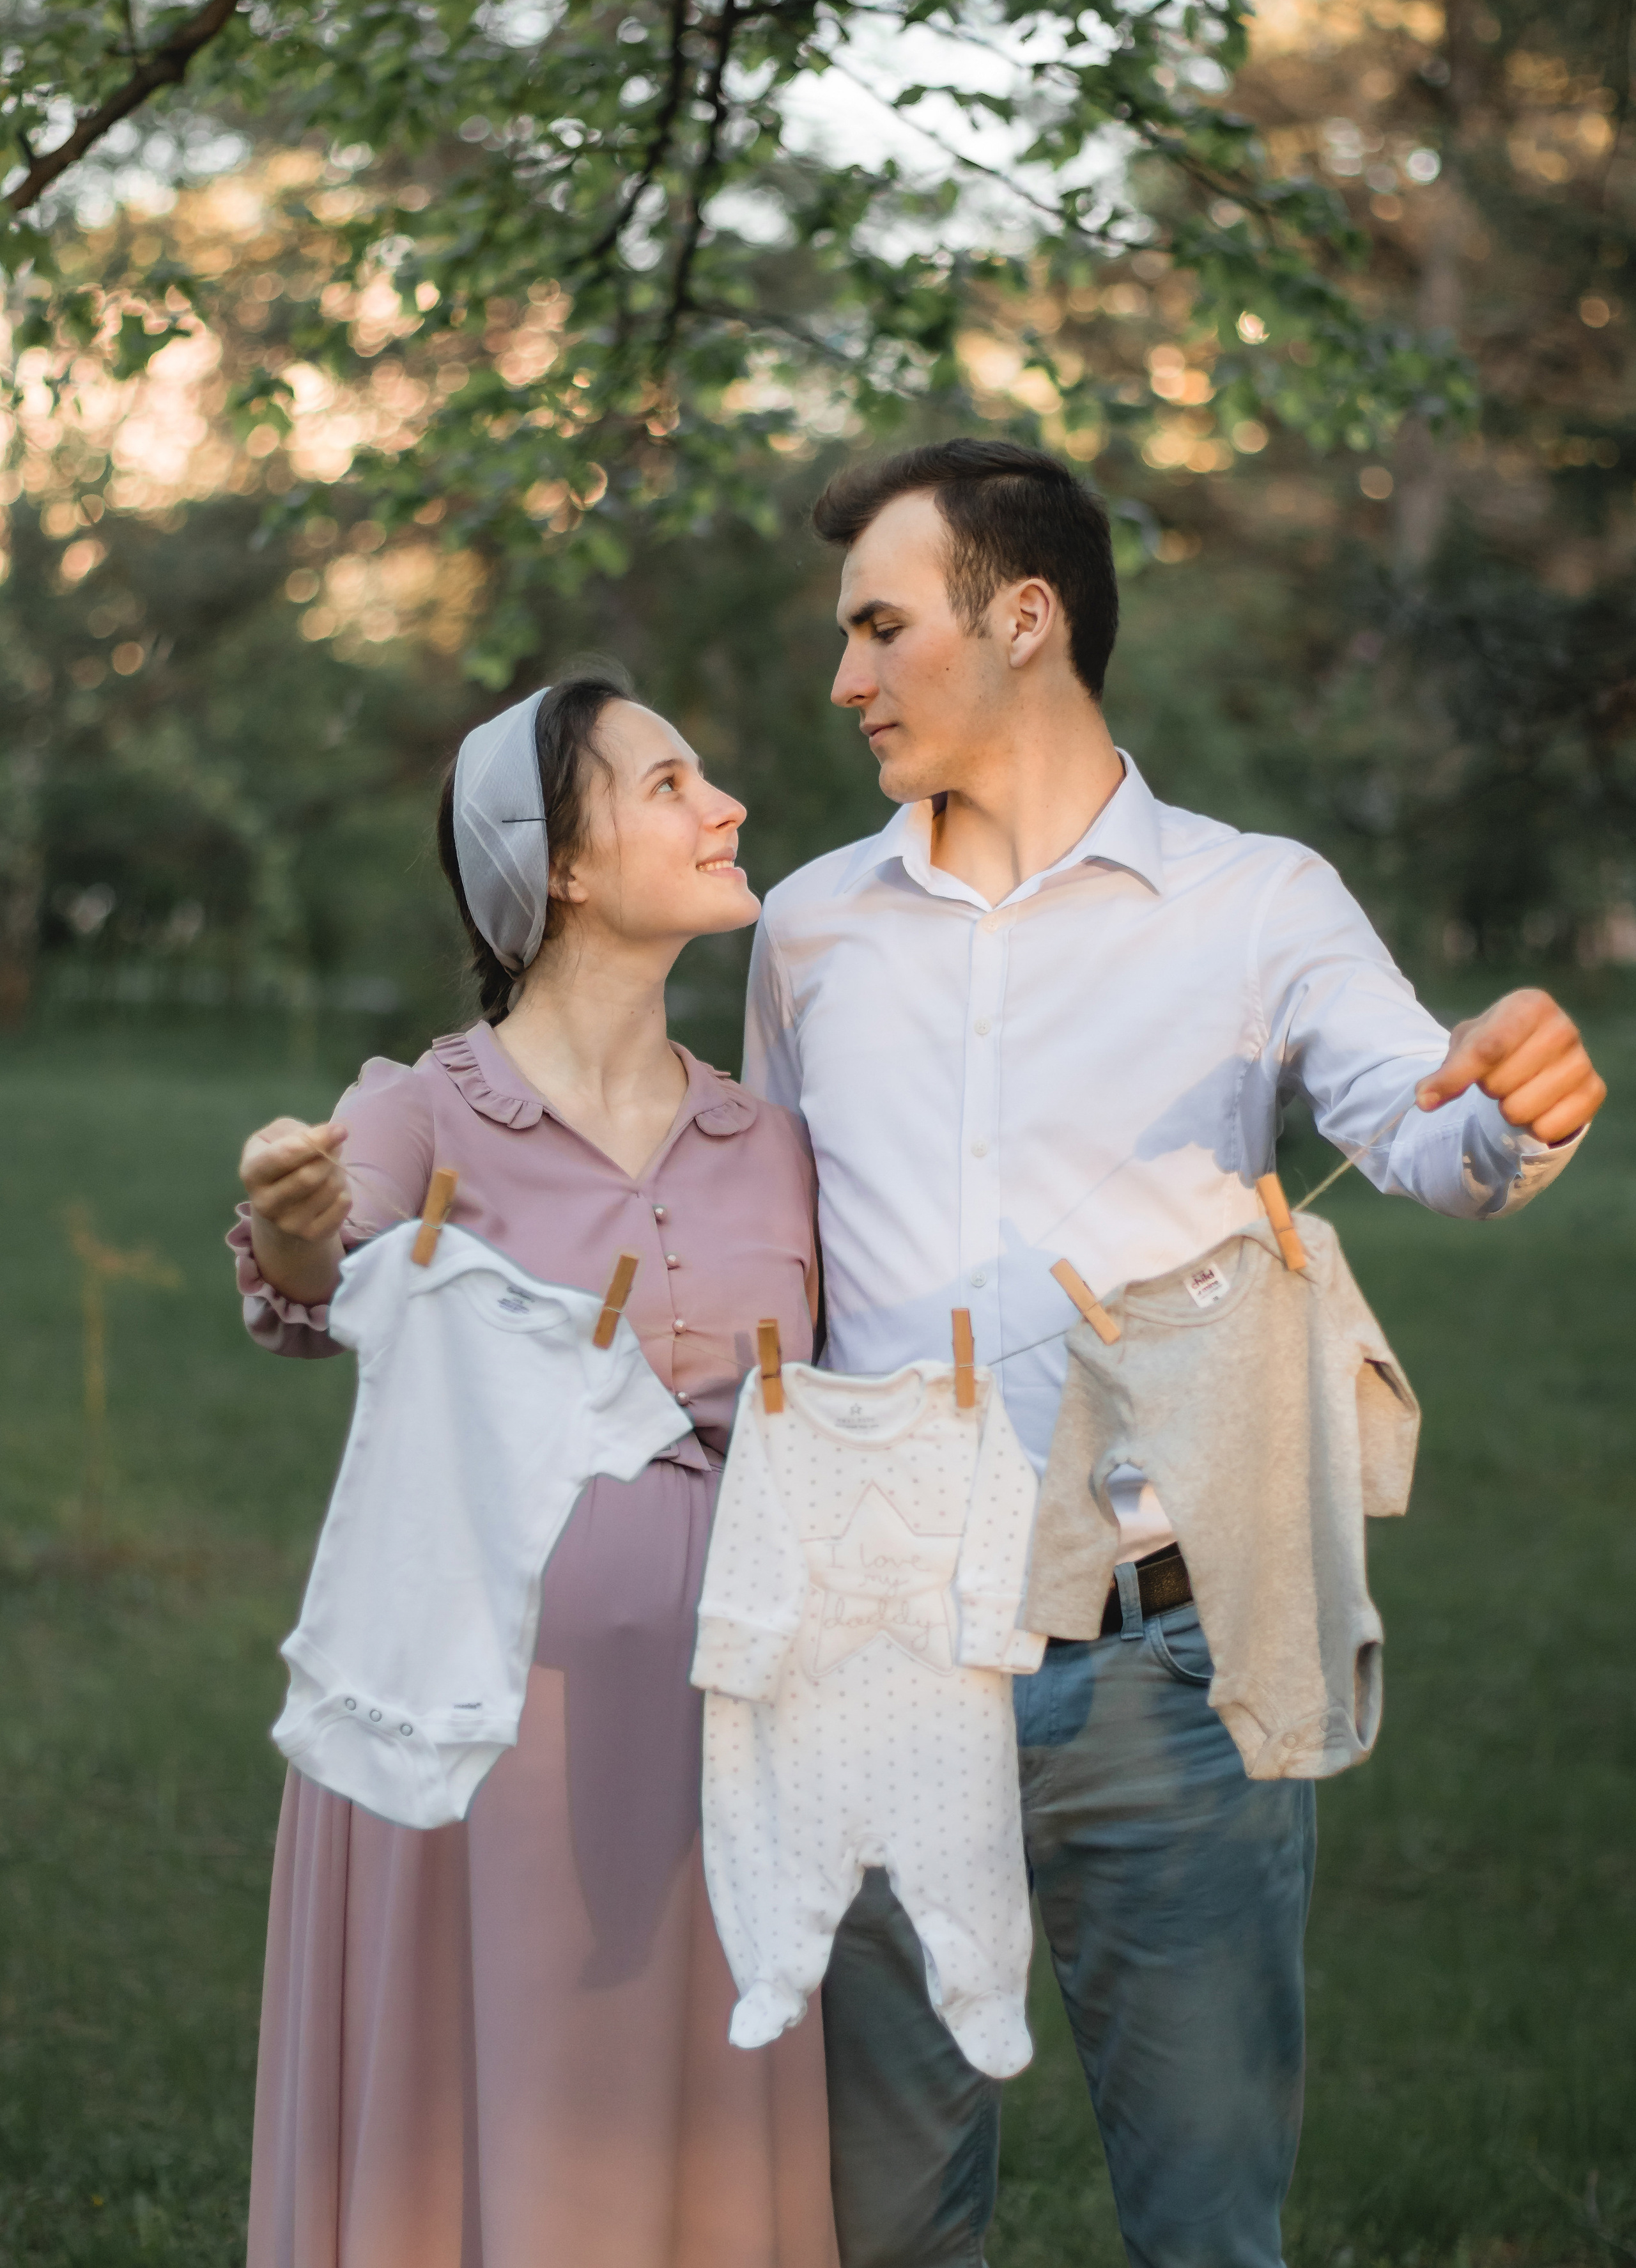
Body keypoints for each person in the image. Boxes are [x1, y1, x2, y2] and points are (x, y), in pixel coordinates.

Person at [742, 440, 1605, 2268]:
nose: (847, 681)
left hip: (1164, 1683)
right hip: (884, 1672)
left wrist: (1518, 1093)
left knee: (1209, 2233)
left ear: (1025, 618)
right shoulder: (809, 930)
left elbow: (1431, 1127)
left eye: (882, 630)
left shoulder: (1258, 904)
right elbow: (769, 1271)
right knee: (880, 2237)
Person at [231, 675, 839, 2268]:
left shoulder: (764, 1139)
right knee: (492, 2131)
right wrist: (293, 1228)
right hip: (488, 1741)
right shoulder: (426, 1110)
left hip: (729, 1734)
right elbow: (305, 1287)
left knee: (690, 2146)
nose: (726, 808)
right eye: (670, 784)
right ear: (559, 865)